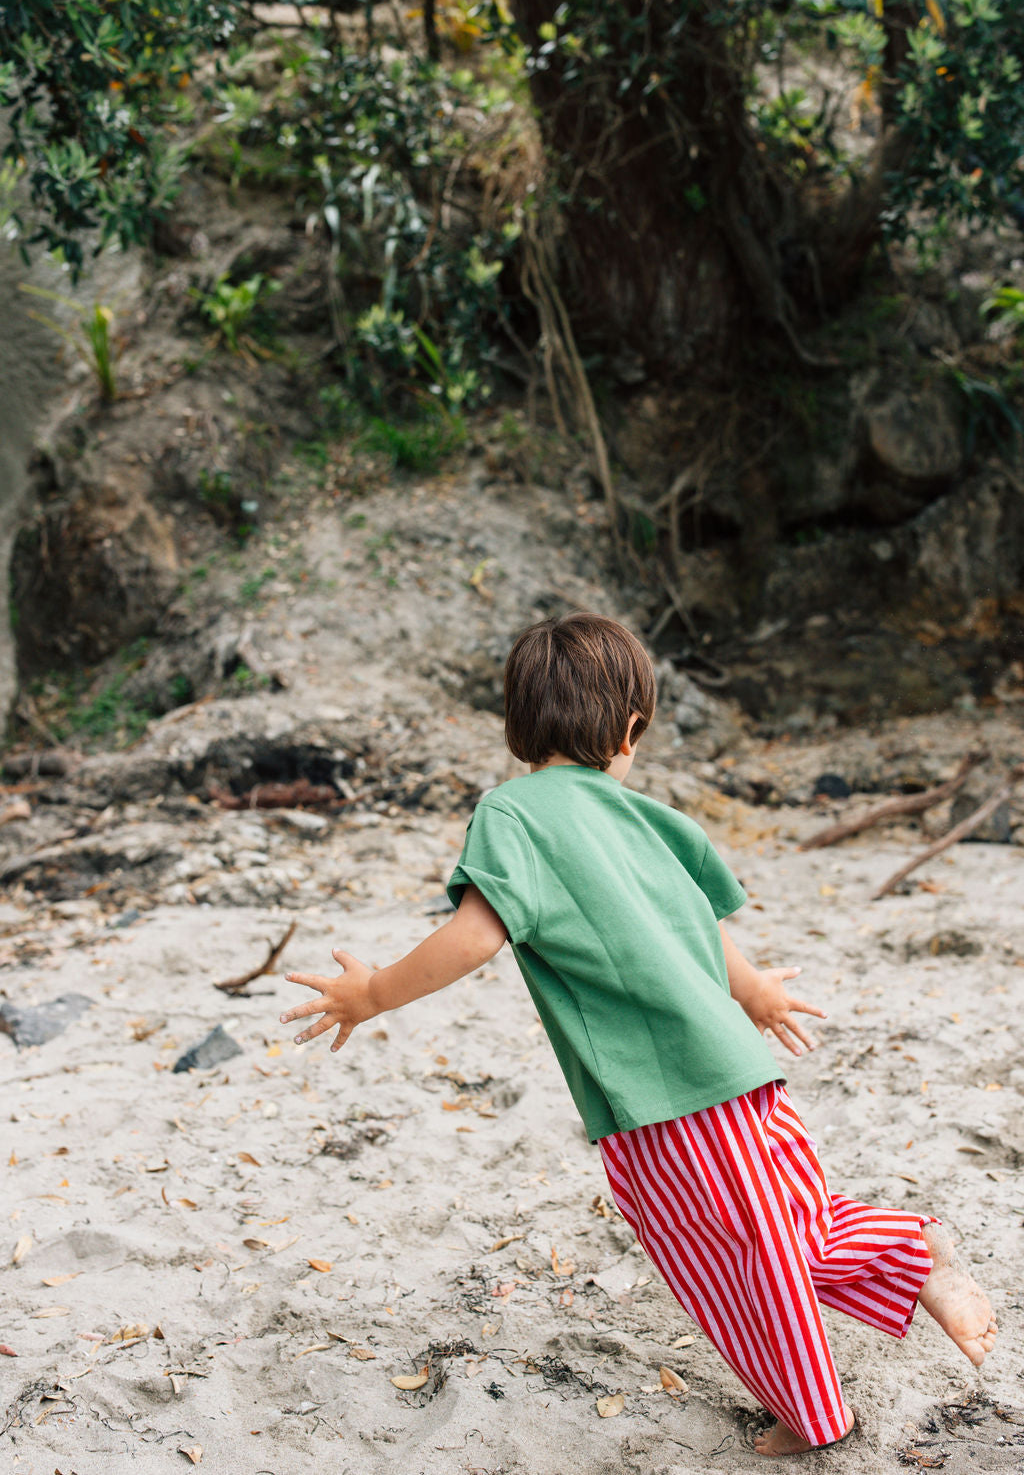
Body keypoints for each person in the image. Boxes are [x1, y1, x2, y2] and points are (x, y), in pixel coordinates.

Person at [280, 612, 997, 1456]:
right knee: (789, 1222)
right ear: (628, 730)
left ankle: (819, 1404)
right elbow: (695, 921)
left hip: (663, 1095)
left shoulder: (510, 816)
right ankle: (911, 1255)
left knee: (732, 1259)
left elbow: (475, 936)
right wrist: (757, 990)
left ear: (519, 727)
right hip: (740, 1072)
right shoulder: (644, 816)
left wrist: (372, 993)